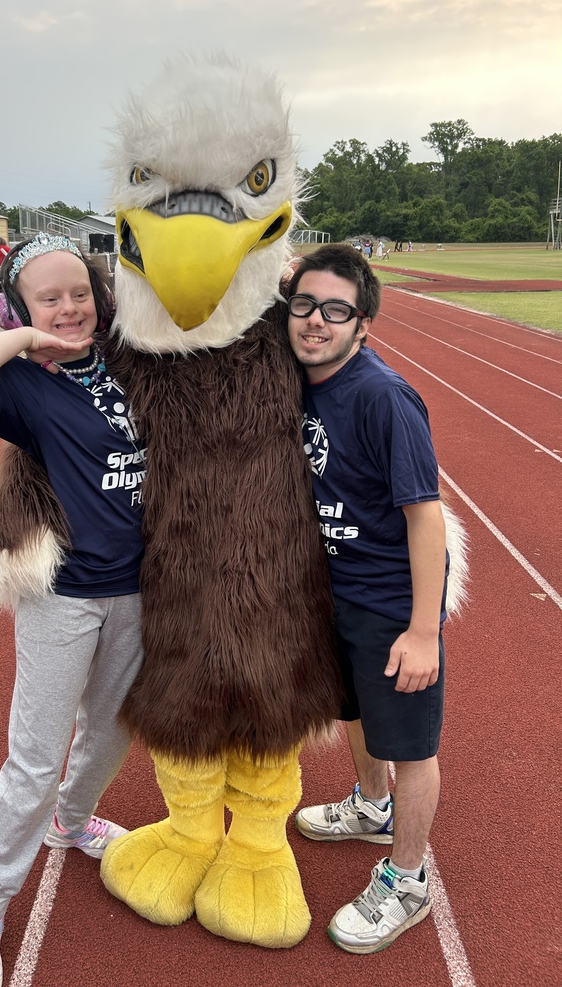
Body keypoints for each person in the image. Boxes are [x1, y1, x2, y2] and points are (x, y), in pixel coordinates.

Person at [0, 233, 145, 987]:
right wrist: (29, 337)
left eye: (79, 293)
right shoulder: (24, 381)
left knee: (115, 730)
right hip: (64, 596)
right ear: (16, 307)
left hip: (142, 590)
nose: (69, 308)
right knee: (33, 757)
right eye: (48, 297)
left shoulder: (131, 360)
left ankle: (73, 818)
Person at [286, 243, 448, 955]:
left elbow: (427, 515)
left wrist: (422, 631)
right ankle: (371, 806)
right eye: (304, 304)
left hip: (387, 603)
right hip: (334, 594)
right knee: (351, 712)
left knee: (410, 746)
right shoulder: (298, 377)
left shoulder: (383, 396)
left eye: (335, 310)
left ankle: (408, 880)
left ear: (363, 323)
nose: (315, 320)